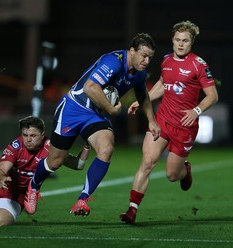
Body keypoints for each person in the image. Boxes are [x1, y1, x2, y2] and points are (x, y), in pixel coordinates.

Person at [24, 33, 161, 217]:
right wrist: (111, 110)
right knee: (55, 160)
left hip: (95, 115)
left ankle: (82, 199)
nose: (146, 61)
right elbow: (90, 87)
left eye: (150, 57)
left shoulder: (139, 73)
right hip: (73, 109)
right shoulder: (113, 61)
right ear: (131, 51)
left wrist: (152, 121)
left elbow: (142, 94)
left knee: (106, 148)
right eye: (143, 55)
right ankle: (33, 186)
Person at [120, 20, 219, 224]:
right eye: (177, 40)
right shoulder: (165, 60)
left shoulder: (199, 65)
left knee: (172, 175)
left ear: (192, 42)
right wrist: (143, 100)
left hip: (185, 125)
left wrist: (196, 110)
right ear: (172, 41)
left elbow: (212, 96)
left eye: (185, 41)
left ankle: (185, 171)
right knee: (147, 161)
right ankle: (132, 209)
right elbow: (163, 84)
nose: (181, 44)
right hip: (163, 120)